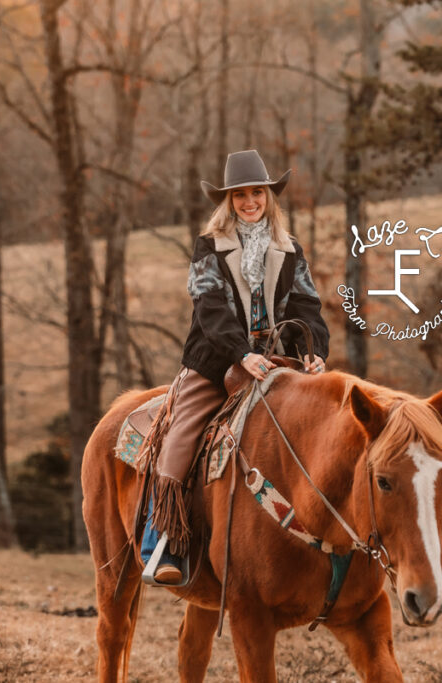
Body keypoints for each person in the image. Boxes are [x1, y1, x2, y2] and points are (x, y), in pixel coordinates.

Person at [141, 149, 330, 585]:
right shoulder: (209, 246)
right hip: (216, 359)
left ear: (268, 196)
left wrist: (313, 349)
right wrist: (240, 352)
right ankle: (163, 543)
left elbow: (307, 306)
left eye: (257, 193)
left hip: (277, 359)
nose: (250, 202)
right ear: (228, 201)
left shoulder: (290, 248)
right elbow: (210, 308)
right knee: (184, 431)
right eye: (241, 195)